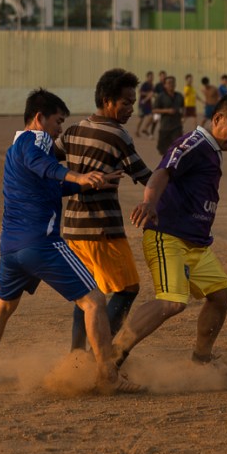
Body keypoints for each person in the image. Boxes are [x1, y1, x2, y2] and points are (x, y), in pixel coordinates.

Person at [0, 89, 141, 394]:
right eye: (58, 121)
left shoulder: (14, 151)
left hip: (11, 249)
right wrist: (77, 176)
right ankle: (108, 375)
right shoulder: (34, 142)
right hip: (41, 244)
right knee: (95, 300)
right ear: (39, 118)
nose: (60, 129)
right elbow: (46, 167)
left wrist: (89, 181)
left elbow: (48, 187)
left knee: (2, 307)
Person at [111, 91, 227, 374]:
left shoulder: (212, 149)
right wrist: (149, 203)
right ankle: (111, 357)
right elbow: (163, 171)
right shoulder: (193, 143)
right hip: (168, 236)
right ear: (217, 119)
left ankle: (201, 359)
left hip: (196, 244)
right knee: (172, 302)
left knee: (221, 294)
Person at [55, 69, 152, 349]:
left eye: (133, 103)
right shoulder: (117, 135)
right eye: (126, 103)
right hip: (102, 231)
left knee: (87, 295)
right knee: (127, 289)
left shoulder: (74, 130)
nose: (131, 109)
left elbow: (48, 159)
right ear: (108, 100)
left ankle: (76, 355)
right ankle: (103, 350)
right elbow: (145, 175)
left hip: (73, 229)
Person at [153, 75, 184, 156]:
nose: (171, 84)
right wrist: (167, 110)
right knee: (163, 150)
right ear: (165, 85)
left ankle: (175, 166)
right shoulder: (160, 96)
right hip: (165, 127)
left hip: (177, 127)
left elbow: (183, 107)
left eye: (173, 83)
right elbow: (154, 110)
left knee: (177, 149)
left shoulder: (179, 96)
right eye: (169, 83)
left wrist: (183, 116)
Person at [135, 71, 155, 138]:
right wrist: (148, 94)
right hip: (142, 104)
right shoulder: (144, 84)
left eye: (152, 77)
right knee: (141, 118)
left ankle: (145, 128)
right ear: (147, 77)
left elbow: (152, 94)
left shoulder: (152, 85)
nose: (152, 78)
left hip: (148, 105)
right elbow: (140, 92)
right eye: (150, 77)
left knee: (151, 117)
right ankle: (137, 131)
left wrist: (152, 95)